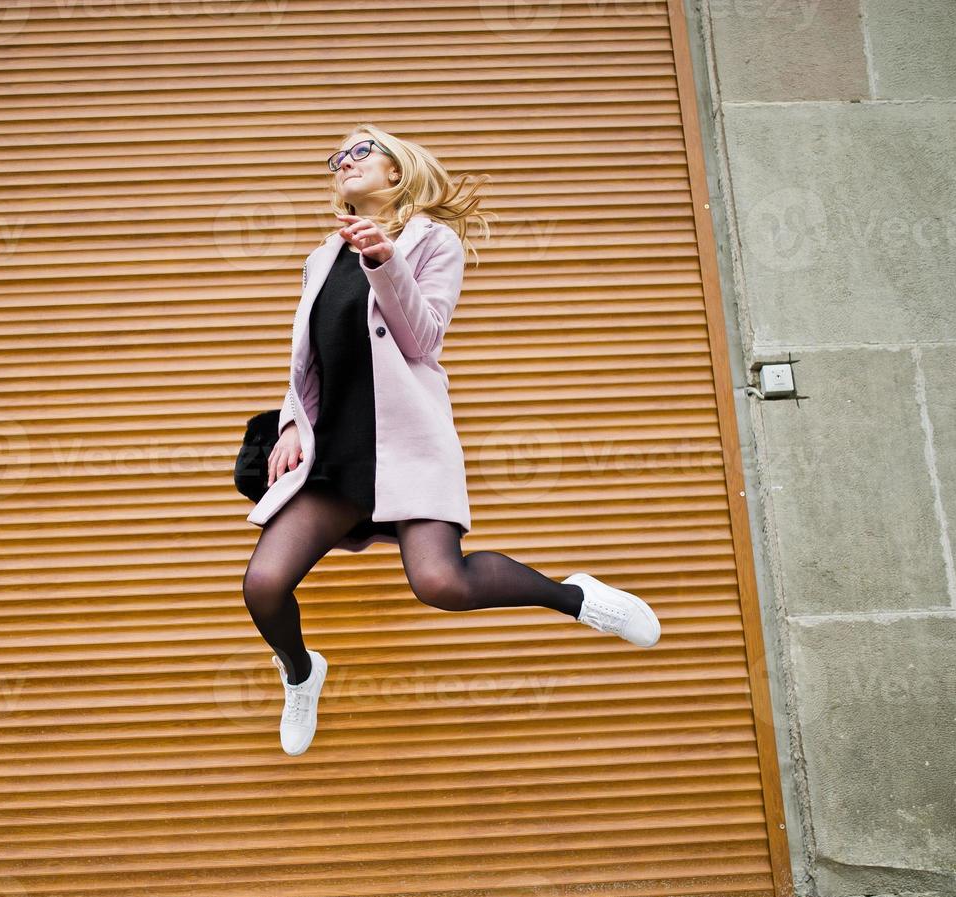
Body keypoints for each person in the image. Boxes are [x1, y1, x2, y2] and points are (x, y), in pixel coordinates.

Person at [242, 125, 661, 757]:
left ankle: (577, 597)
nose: (343, 163)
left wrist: (385, 259)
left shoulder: (431, 242)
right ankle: (302, 674)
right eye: (336, 159)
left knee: (442, 584)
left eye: (360, 151)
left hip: (404, 444)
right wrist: (293, 422)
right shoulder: (323, 255)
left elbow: (422, 340)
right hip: (337, 450)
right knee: (264, 586)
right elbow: (311, 363)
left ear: (397, 171)